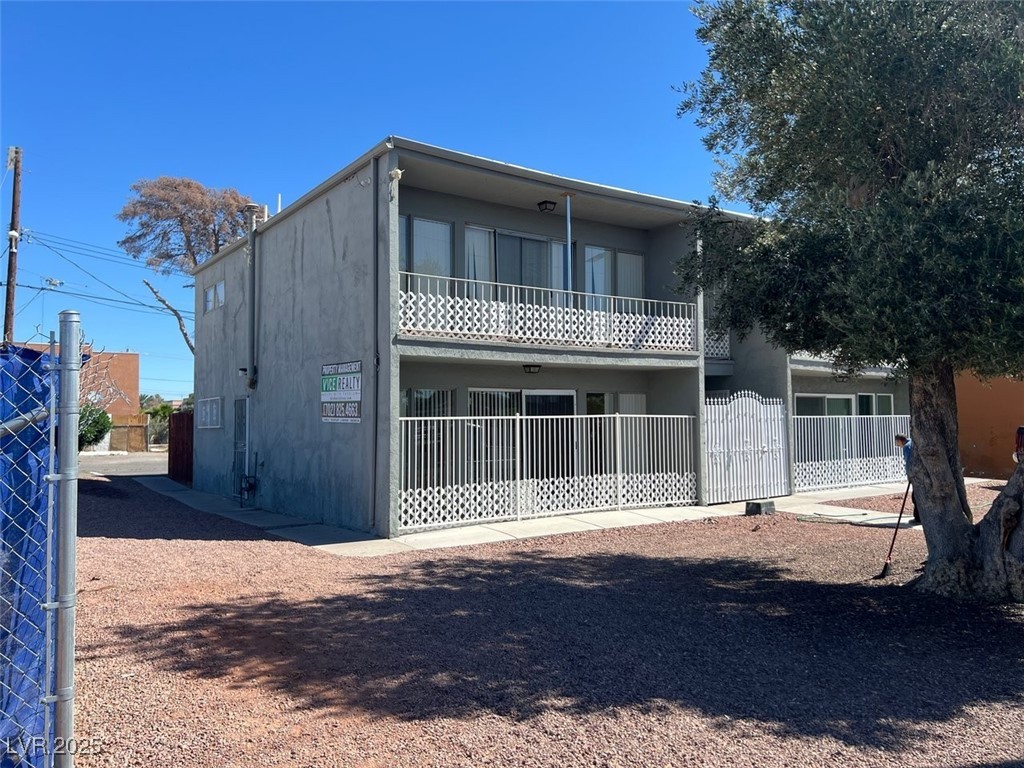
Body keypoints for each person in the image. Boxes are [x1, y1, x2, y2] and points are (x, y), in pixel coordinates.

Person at [894, 434, 921, 524]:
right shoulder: (912, 442)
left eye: (897, 442)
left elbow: (909, 462)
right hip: (921, 474)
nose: (897, 445)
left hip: (916, 475)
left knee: (916, 497)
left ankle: (918, 518)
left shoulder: (907, 447)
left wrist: (910, 475)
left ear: (900, 440)